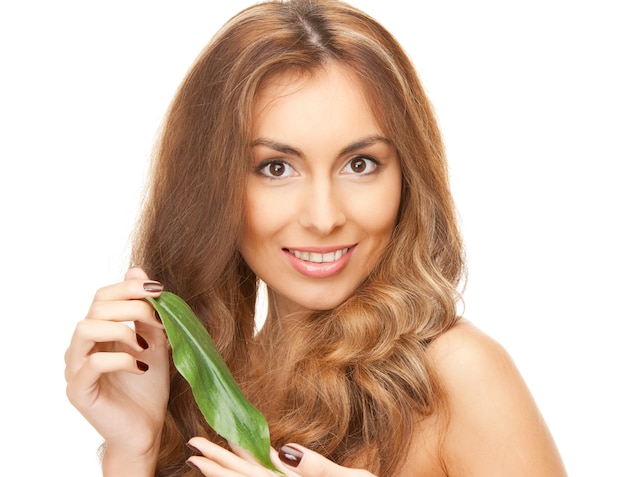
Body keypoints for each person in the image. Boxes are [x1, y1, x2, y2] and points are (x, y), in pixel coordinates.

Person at [64, 1, 568, 476]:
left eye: (360, 164)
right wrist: (135, 449)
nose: (324, 218)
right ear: (210, 188)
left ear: (407, 178)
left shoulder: (459, 376)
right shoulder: (207, 382)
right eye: (276, 167)